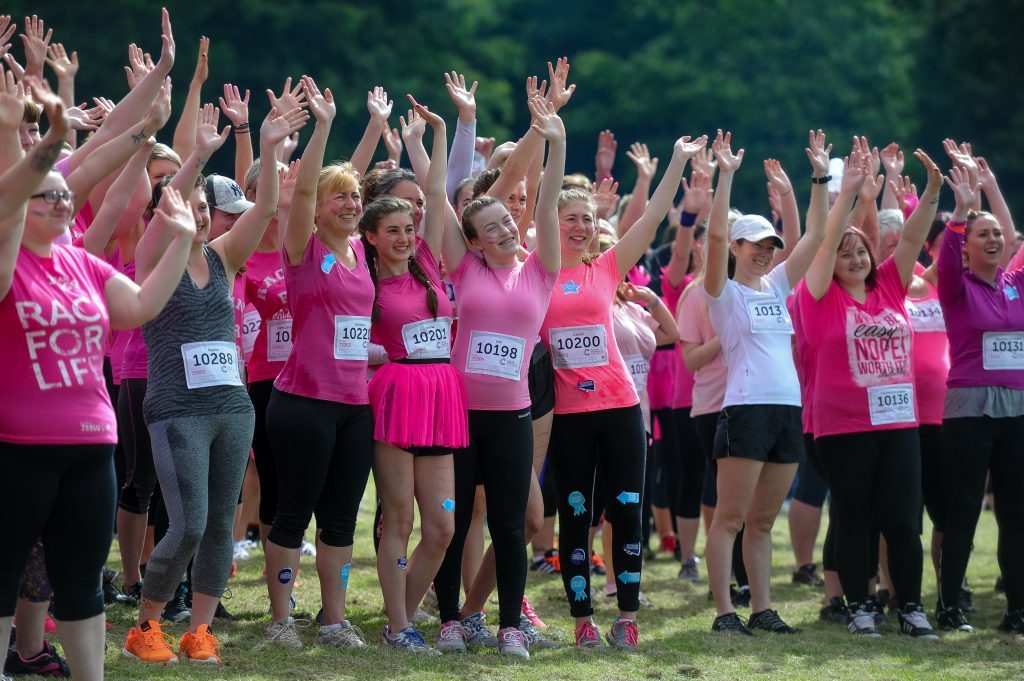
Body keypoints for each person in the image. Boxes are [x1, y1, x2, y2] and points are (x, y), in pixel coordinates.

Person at [0, 82, 194, 681]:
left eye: (64, 196)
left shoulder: (82, 262)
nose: (62, 203)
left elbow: (137, 308)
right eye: (46, 196)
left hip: (91, 449)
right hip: (17, 450)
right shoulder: (7, 260)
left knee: (81, 580)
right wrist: (29, 135)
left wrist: (182, 241)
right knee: (3, 577)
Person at [121, 99, 306, 664]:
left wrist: (270, 147)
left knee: (221, 526)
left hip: (233, 408)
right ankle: (145, 628)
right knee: (189, 525)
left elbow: (266, 208)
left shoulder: (224, 256)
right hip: (177, 410)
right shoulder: (155, 256)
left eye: (205, 207)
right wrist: (198, 154)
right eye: (189, 205)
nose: (200, 215)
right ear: (167, 210)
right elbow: (165, 222)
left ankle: (199, 632)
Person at [540, 132, 705, 651]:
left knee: (628, 510)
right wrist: (552, 142)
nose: (582, 226)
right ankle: (583, 619)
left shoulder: (607, 267)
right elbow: (540, 199)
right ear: (551, 224)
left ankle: (627, 617)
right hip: (568, 415)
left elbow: (652, 218)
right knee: (576, 516)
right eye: (570, 218)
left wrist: (676, 161)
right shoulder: (537, 273)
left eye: (588, 219)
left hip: (620, 409)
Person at [432, 95, 564, 658]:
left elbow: (550, 201)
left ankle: (510, 624)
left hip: (511, 416)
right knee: (454, 527)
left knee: (512, 527)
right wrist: (437, 139)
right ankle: (448, 623)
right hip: (459, 416)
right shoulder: (463, 267)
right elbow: (439, 202)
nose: (506, 228)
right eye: (492, 226)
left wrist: (552, 139)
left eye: (509, 220)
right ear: (475, 239)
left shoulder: (540, 269)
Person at [798, 147, 942, 639]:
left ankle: (911, 608)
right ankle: (860, 607)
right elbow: (822, 242)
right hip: (843, 426)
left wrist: (933, 193)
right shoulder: (818, 296)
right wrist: (852, 194)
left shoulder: (890, 289)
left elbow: (916, 236)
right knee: (854, 518)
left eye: (862, 251)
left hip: (900, 423)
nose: (856, 258)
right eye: (846, 252)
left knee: (904, 521)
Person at [701, 130, 831, 636]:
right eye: (755, 245)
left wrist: (817, 178)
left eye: (769, 246)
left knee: (762, 521)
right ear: (737, 246)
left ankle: (762, 607)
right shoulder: (723, 293)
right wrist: (726, 177)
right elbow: (713, 238)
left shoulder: (778, 285)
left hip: (785, 411)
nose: (764, 252)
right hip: (746, 411)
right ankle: (724, 613)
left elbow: (816, 238)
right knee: (729, 519)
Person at [262, 75, 376, 649]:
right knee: (292, 513)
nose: (351, 204)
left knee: (341, 519)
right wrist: (324, 127)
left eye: (356, 197)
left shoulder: (359, 252)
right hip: (304, 401)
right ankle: (282, 619)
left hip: (355, 405)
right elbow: (304, 193)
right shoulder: (303, 248)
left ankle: (332, 619)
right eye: (342, 197)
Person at [364, 96, 465, 653]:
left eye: (409, 227)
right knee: (398, 518)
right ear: (374, 236)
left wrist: (438, 133)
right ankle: (401, 625)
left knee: (444, 526)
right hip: (398, 395)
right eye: (394, 230)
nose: (405, 235)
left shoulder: (427, 262)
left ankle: (397, 614)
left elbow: (434, 193)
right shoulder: (365, 280)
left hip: (442, 395)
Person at [936, 166, 1024, 635]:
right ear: (967, 245)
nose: (993, 239)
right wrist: (964, 208)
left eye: (997, 234)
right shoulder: (955, 285)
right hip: (969, 410)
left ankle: (1017, 610)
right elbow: (948, 254)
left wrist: (991, 189)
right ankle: (950, 606)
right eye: (981, 234)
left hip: (1017, 408)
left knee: (1015, 513)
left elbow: (1014, 236)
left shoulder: (1017, 284)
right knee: (965, 509)